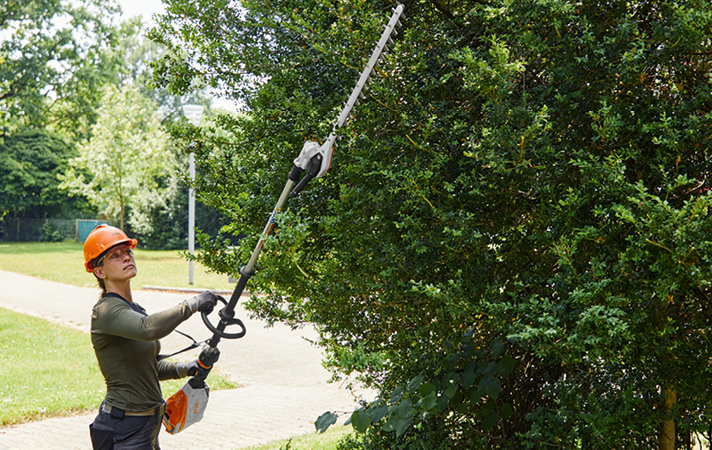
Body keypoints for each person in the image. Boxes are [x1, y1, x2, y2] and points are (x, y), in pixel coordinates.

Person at [83, 224, 218, 450]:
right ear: (100, 272)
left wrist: (188, 368)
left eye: (128, 252)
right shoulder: (106, 311)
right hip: (124, 427)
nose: (126, 258)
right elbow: (149, 328)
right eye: (115, 256)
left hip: (147, 424)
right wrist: (193, 304)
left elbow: (149, 367)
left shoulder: (134, 309)